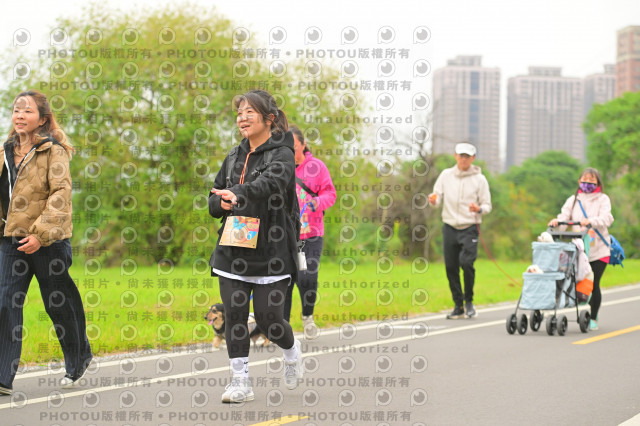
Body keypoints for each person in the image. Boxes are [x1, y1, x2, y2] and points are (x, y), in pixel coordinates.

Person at [208, 90, 303, 403]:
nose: (242, 118)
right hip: (233, 246)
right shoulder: (233, 156)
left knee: (268, 320)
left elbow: (271, 184)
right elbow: (213, 197)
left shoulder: (283, 153)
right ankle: (240, 382)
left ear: (269, 119)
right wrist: (220, 203)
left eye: (249, 112)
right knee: (234, 315)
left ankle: (292, 351)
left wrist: (238, 193)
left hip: (273, 249)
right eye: (239, 113)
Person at [0, 91, 92, 396]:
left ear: (42, 119)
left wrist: (39, 235)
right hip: (11, 241)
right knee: (5, 302)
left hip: (49, 241)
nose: (20, 115)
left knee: (58, 303)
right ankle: (2, 377)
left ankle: (78, 359)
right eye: (16, 110)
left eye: (27, 111)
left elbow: (60, 195)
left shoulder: (54, 151)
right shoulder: (4, 151)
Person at [283, 125, 336, 340]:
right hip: (285, 235)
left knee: (306, 277)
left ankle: (307, 316)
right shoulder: (280, 167)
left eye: (294, 147)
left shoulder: (317, 167)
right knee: (284, 280)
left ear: (303, 145)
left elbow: (330, 193)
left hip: (310, 235)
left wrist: (317, 202)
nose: (290, 152)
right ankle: (283, 326)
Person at [428, 143, 492, 319]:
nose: (463, 159)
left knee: (467, 263)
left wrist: (478, 209)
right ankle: (458, 305)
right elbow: (436, 198)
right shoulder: (445, 175)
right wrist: (433, 201)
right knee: (451, 266)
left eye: (467, 156)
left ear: (473, 158)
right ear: (455, 156)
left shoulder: (480, 179)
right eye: (461, 155)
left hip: (469, 227)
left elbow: (487, 205)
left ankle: (469, 301)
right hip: (449, 226)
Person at [548, 167, 613, 331]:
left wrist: (591, 221)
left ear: (598, 183)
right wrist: (557, 223)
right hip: (579, 249)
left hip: (599, 249)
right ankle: (578, 306)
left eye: (592, 180)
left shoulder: (603, 199)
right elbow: (564, 217)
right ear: (579, 181)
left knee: (593, 283)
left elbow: (607, 218)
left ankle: (593, 317)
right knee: (576, 281)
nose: (588, 183)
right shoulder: (573, 200)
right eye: (585, 180)